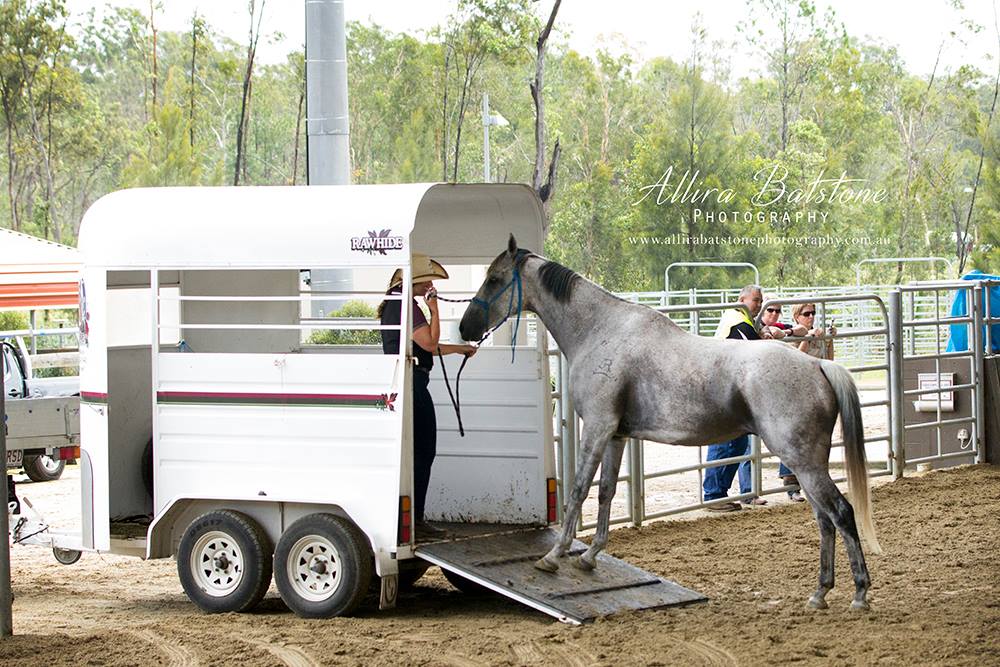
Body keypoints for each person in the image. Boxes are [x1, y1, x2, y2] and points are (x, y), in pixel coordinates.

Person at [378, 253, 477, 540]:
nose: (432, 285)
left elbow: (427, 348)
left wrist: (461, 350)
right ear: (416, 281)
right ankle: (416, 521)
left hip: (408, 380)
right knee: (423, 451)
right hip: (414, 384)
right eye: (428, 280)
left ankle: (413, 518)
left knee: (417, 452)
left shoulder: (397, 305)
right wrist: (435, 309)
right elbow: (430, 342)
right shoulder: (408, 308)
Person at [703, 284, 771, 512]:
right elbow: (758, 349)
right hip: (723, 389)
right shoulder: (737, 319)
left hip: (731, 388)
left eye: (761, 301)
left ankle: (718, 493)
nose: (759, 305)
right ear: (742, 299)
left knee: (738, 439)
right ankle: (713, 494)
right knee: (724, 439)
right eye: (756, 300)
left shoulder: (743, 320)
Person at [775, 303, 837, 502]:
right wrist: (807, 339)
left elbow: (830, 359)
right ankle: (791, 484)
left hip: (814, 391)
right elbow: (796, 359)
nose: (811, 317)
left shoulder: (816, 333)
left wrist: (828, 340)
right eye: (806, 314)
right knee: (793, 437)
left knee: (812, 439)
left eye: (813, 313)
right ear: (797, 317)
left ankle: (810, 483)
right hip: (796, 391)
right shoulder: (792, 336)